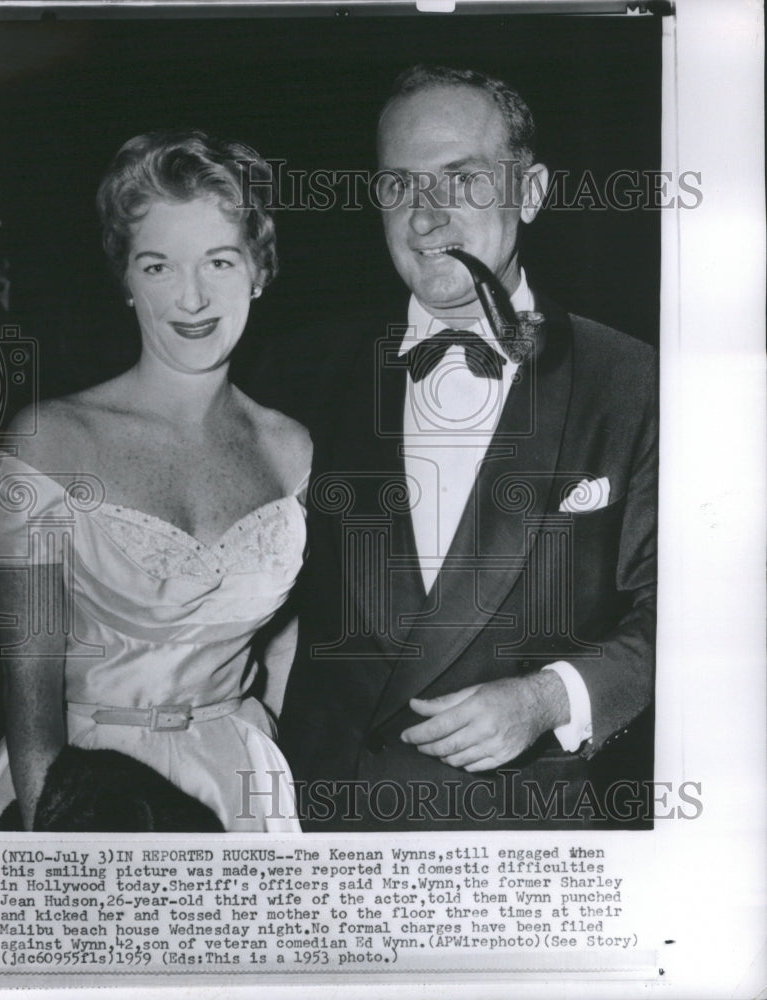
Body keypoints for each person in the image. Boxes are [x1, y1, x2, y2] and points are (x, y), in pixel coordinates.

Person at [278, 65, 657, 830]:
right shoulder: (295, 375)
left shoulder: (633, 381)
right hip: (327, 832)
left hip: (524, 836)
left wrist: (550, 696)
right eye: (400, 185)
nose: (425, 216)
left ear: (532, 192)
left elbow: (696, 614)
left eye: (463, 179)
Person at [0, 130, 310, 832]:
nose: (192, 298)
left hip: (241, 790)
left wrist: (267, 713)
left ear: (259, 268)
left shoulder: (293, 448)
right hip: (80, 787)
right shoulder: (51, 439)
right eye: (158, 266)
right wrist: (59, 841)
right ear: (126, 279)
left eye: (220, 261)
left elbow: (292, 623)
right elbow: (27, 693)